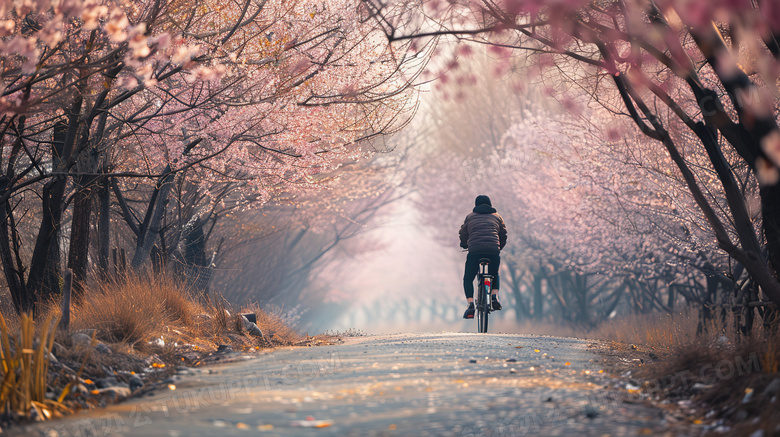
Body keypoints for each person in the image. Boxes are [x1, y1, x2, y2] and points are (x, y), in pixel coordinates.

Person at [459, 195, 507, 319]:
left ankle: (470, 304)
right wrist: (498, 247)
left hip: (475, 251)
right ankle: (494, 296)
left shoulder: (470, 217)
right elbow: (503, 234)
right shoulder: (497, 217)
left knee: (468, 278)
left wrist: (464, 243)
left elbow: (463, 233)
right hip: (493, 251)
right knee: (494, 273)